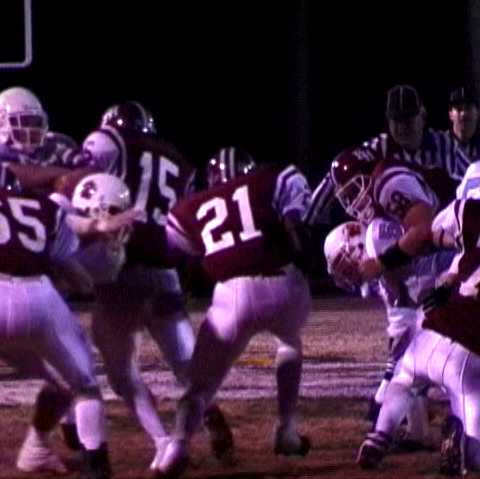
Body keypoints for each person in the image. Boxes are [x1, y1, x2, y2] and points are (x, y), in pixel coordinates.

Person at [67, 101, 233, 469]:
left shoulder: (109, 140)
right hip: (164, 270)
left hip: (120, 267)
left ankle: (161, 441)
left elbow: (81, 184)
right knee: (187, 365)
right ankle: (209, 415)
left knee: (122, 374)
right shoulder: (179, 161)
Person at [155, 147, 312, 478]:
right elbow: (295, 221)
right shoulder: (272, 178)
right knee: (289, 342)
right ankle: (286, 429)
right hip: (282, 283)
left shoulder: (191, 207)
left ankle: (176, 447)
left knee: (200, 386)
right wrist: (302, 252)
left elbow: (177, 253)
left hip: (230, 292)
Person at [0, 179, 129, 479]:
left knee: (60, 381)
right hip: (38, 296)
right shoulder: (47, 207)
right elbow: (78, 279)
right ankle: (96, 465)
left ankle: (36, 450)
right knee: (82, 384)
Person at [357, 193, 480, 475]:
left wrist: (450, 258)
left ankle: (380, 434)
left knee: (403, 377)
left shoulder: (471, 211)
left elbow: (433, 235)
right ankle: (462, 444)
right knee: (476, 455)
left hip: (436, 328)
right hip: (471, 356)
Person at [324, 218, 454, 451]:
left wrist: (382, 398)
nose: (348, 274)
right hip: (441, 296)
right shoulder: (384, 282)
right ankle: (418, 432)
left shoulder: (377, 237)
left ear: (358, 246)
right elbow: (399, 334)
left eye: (345, 264)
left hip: (457, 279)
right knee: (412, 361)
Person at [305, 84, 468, 227]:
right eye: (396, 121)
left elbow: (473, 180)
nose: (402, 128)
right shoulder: (379, 147)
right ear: (388, 121)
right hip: (397, 232)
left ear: (423, 116)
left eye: (408, 120)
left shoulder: (446, 145)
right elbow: (336, 174)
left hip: (442, 228)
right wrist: (306, 222)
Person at [444, 86, 480, 163]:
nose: (463, 113)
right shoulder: (439, 145)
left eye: (468, 108)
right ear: (450, 115)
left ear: (477, 113)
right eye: (459, 109)